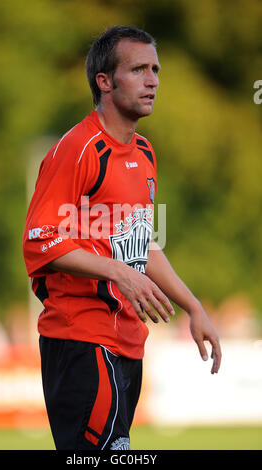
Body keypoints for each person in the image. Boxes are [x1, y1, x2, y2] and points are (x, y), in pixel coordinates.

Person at [22, 25, 221, 451]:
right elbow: (40, 238)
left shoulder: (145, 153)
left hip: (128, 341)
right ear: (105, 81)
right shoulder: (78, 149)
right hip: (81, 340)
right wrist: (117, 272)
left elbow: (142, 245)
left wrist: (194, 307)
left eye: (156, 70)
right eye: (138, 69)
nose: (152, 81)